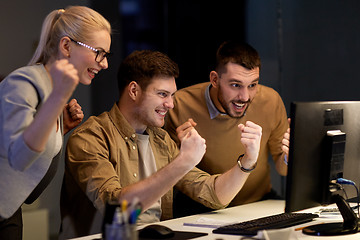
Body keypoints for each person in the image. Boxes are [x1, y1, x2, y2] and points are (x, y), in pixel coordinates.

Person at [59, 49, 262, 239]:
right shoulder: (89, 138)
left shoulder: (161, 139)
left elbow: (214, 195)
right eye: (162, 94)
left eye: (172, 95)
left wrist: (248, 160)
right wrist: (182, 162)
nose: (171, 104)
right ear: (133, 91)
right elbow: (117, 211)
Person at [0, 6, 111, 239]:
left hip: (9, 210)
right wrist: (58, 100)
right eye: (99, 53)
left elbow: (30, 173)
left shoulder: (51, 89)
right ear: (67, 46)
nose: (104, 64)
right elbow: (19, 158)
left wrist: (61, 129)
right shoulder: (23, 83)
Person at [164, 40, 290, 217]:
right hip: (204, 209)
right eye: (235, 85)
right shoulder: (179, 105)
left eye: (253, 85)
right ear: (215, 79)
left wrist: (289, 157)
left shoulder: (271, 100)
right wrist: (183, 154)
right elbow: (171, 175)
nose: (245, 97)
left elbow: (282, 168)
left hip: (259, 204)